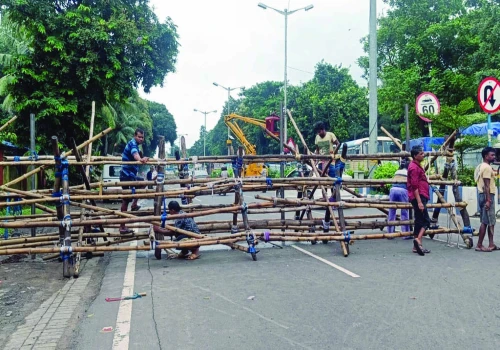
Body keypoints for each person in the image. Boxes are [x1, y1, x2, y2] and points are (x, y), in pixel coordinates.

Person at [119, 128, 149, 234]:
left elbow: (137, 154)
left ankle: (134, 205)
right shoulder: (132, 144)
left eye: (142, 137)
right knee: (126, 200)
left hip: (129, 175)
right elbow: (135, 154)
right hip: (126, 175)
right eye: (139, 137)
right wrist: (140, 159)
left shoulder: (136, 145)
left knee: (141, 184)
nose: (141, 139)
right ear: (135, 136)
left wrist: (141, 158)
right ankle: (122, 226)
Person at [407, 146, 431, 256]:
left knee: (419, 221)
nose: (423, 155)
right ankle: (418, 239)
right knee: (426, 220)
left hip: (422, 195)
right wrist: (420, 202)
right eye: (421, 153)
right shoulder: (414, 168)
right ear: (415, 156)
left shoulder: (417, 166)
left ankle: (417, 246)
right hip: (419, 196)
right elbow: (414, 186)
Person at [474, 147, 498, 252]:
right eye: (491, 155)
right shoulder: (487, 168)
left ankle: (491, 244)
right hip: (486, 195)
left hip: (483, 195)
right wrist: (488, 200)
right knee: (485, 221)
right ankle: (479, 245)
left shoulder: (482, 166)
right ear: (485, 156)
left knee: (490, 221)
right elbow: (487, 186)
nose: (494, 157)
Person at [387, 159, 410, 236]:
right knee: (404, 212)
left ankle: (390, 233)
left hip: (393, 190)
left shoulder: (397, 172)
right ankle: (405, 234)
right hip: (402, 190)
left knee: (391, 212)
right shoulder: (408, 172)